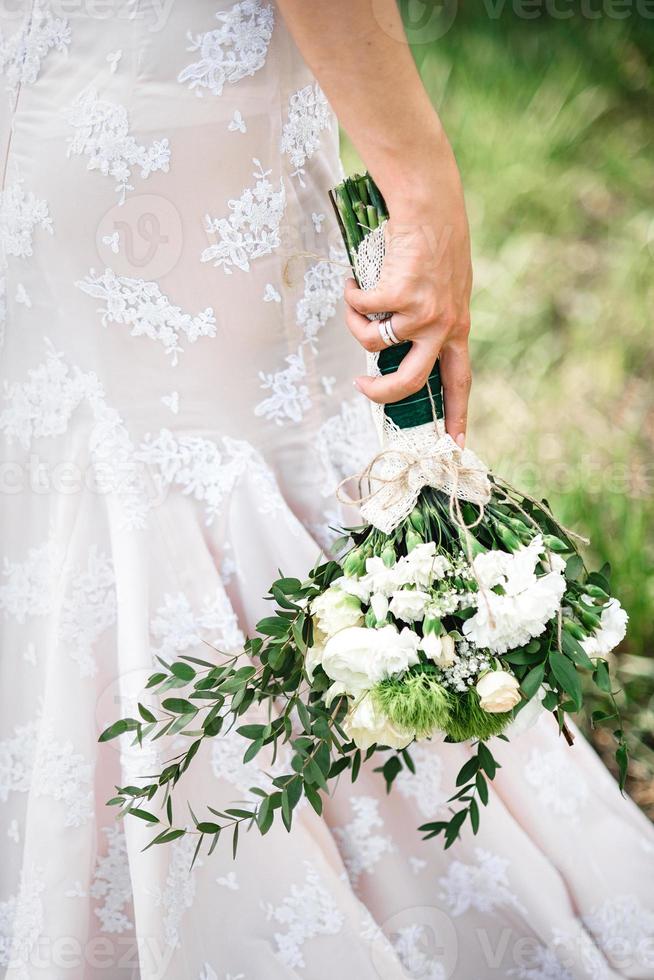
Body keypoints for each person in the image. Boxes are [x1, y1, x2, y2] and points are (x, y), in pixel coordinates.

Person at [0, 2, 652, 978]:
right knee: (227, 478)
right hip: (179, 112)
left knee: (131, 495)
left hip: (51, 91)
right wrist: (421, 179)